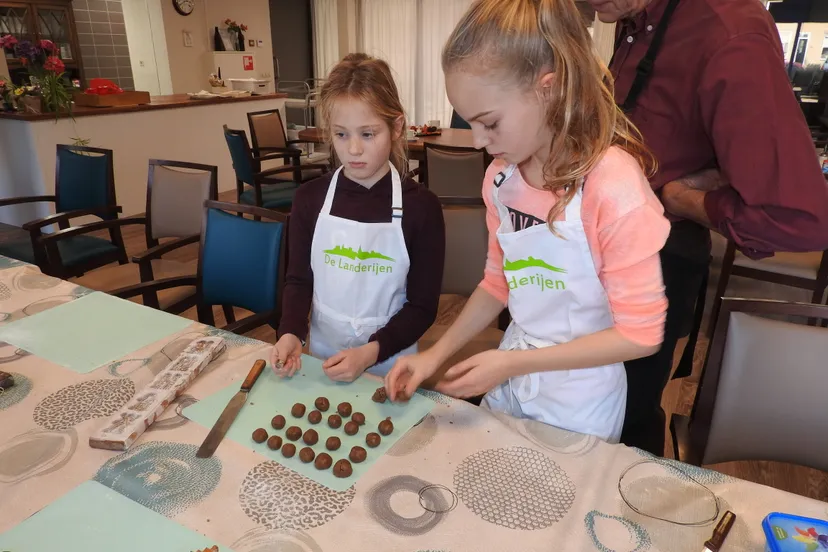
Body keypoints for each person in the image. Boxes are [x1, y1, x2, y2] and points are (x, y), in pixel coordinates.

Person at [384, 0, 671, 443]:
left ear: (548, 90)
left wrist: (512, 363)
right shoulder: (501, 180)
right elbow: (498, 283)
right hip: (512, 381)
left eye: (490, 123)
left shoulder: (612, 186)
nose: (480, 141)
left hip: (579, 401)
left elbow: (641, 335)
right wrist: (434, 355)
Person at [587, 0, 828, 455]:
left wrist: (684, 199)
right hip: (604, 243)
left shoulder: (727, 30)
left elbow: (799, 218)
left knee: (618, 417)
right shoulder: (634, 20)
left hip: (653, 255)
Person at [271, 54, 445, 382]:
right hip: (323, 360)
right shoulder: (310, 199)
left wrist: (371, 352)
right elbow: (298, 280)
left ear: (396, 128)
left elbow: (422, 307)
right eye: (341, 135)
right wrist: (291, 332)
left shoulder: (422, 208)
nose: (353, 150)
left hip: (390, 362)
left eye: (367, 134)